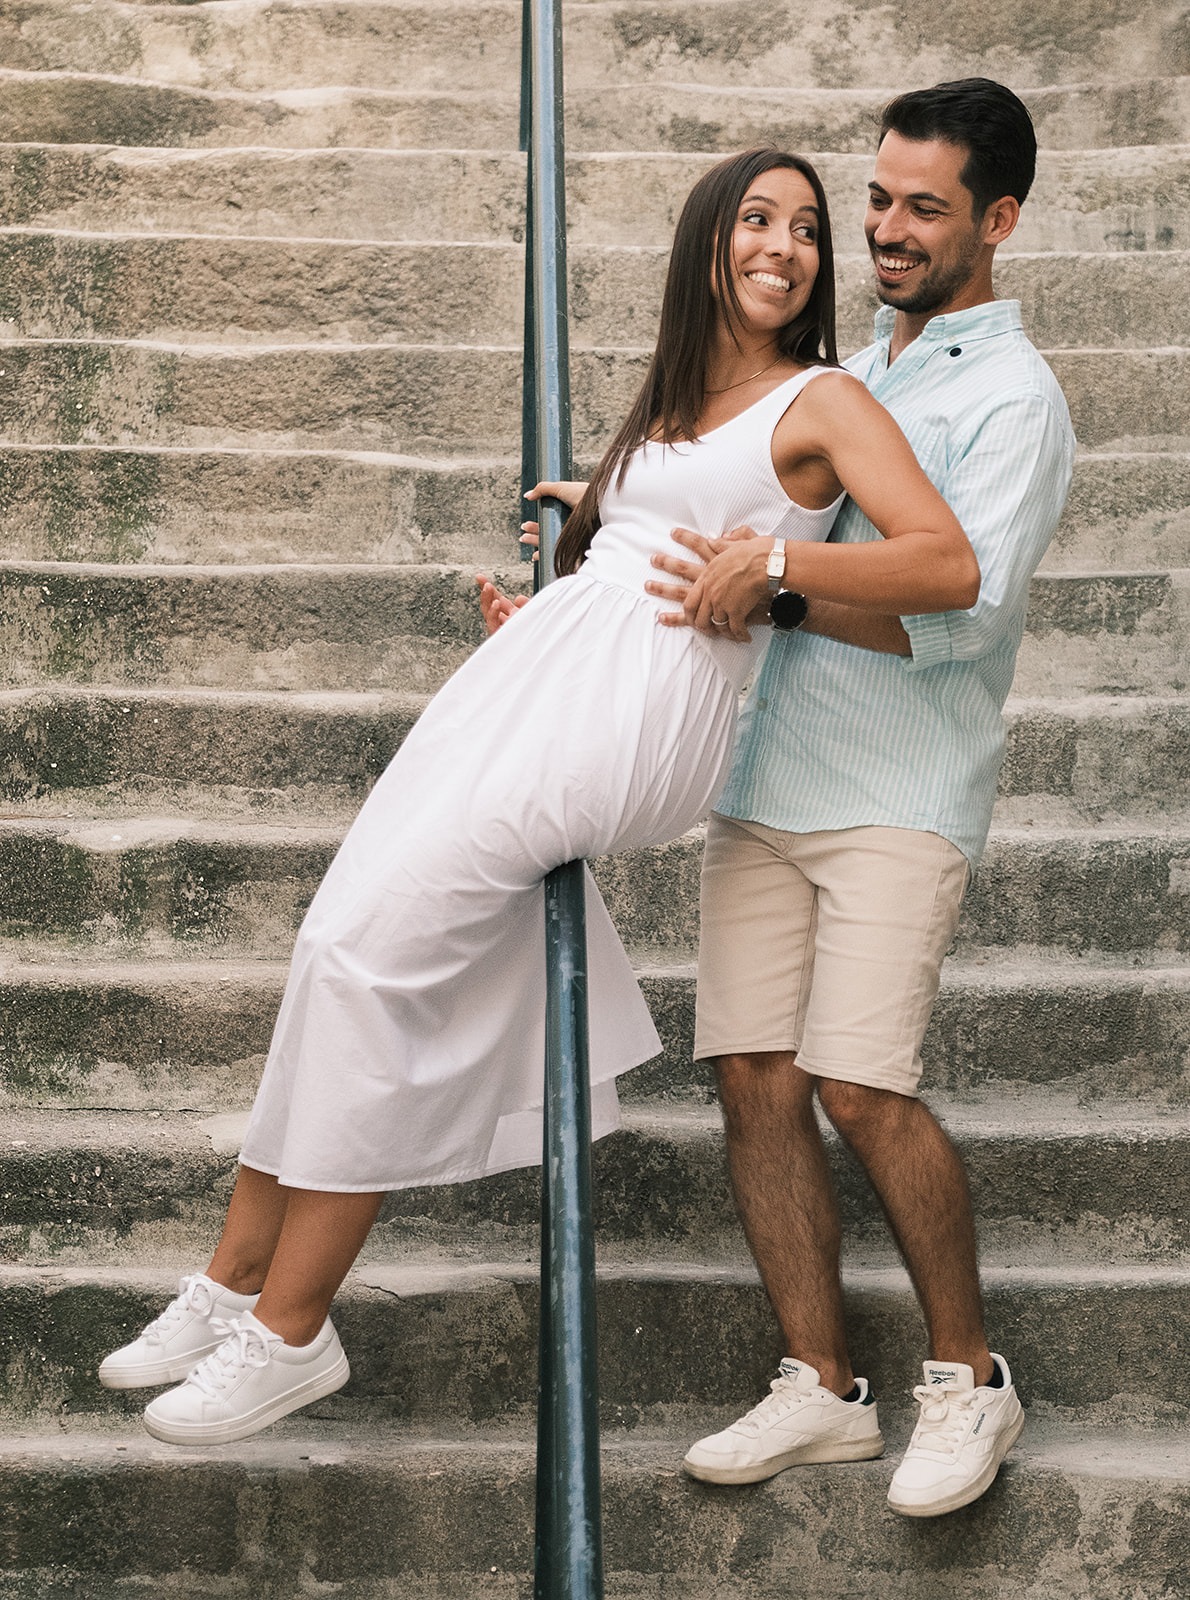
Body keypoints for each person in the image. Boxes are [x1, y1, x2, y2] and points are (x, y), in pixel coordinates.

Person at [97, 146, 978, 1448]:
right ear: (705, 241)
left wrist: (777, 573)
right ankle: (231, 1282)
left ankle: (291, 1331)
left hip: (629, 711)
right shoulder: (676, 401)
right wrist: (576, 564)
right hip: (540, 677)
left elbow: (944, 567)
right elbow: (647, 532)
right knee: (338, 941)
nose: (784, 247)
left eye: (805, 228)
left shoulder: (826, 398)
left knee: (380, 965)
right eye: (755, 219)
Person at [490, 77, 1075, 1520]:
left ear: (998, 222)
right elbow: (738, 515)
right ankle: (820, 1384)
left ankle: (969, 1377)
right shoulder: (852, 366)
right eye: (874, 198)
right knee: (754, 1078)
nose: (884, 229)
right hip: (763, 776)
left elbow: (956, 611)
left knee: (861, 1087)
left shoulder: (1013, 398)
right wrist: (609, 534)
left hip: (896, 790)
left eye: (924, 208)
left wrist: (783, 583)